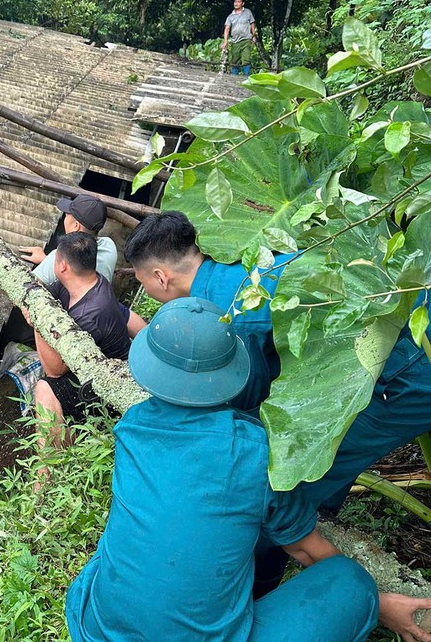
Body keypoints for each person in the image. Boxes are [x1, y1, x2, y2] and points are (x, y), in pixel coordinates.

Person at [65, 298, 431, 642]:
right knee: (352, 582)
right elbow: (305, 550)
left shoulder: (133, 426)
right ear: (232, 371)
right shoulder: (255, 453)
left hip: (95, 628)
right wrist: (379, 601)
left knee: (112, 559)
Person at [124, 211, 431, 592]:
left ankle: (264, 576)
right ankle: (319, 509)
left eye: (143, 283)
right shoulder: (248, 259)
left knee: (278, 476)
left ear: (160, 277)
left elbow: (248, 411)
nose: (148, 293)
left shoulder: (237, 321)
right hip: (408, 303)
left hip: (405, 366)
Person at [124, 211, 290, 412]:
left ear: (161, 278)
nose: (146, 289)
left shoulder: (225, 319)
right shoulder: (233, 253)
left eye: (142, 281)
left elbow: (248, 398)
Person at [29, 232, 133, 451]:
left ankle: (52, 461)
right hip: (91, 368)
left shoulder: (92, 313)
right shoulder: (83, 283)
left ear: (63, 266)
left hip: (105, 392)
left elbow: (55, 370)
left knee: (45, 387)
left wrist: (37, 319)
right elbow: (46, 293)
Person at [20, 194, 118, 285]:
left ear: (76, 226)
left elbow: (27, 287)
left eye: (66, 216)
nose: (64, 219)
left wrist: (50, 261)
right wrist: (46, 260)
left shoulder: (61, 255)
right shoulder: (110, 246)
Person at [222, 0, 257, 76]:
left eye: (238, 2)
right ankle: (234, 77)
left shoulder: (248, 12)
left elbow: (252, 24)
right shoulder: (230, 16)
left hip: (246, 39)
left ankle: (246, 77)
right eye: (235, 1)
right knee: (234, 60)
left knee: (246, 59)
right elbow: (227, 29)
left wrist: (254, 35)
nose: (236, 3)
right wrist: (225, 41)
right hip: (235, 41)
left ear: (242, 3)